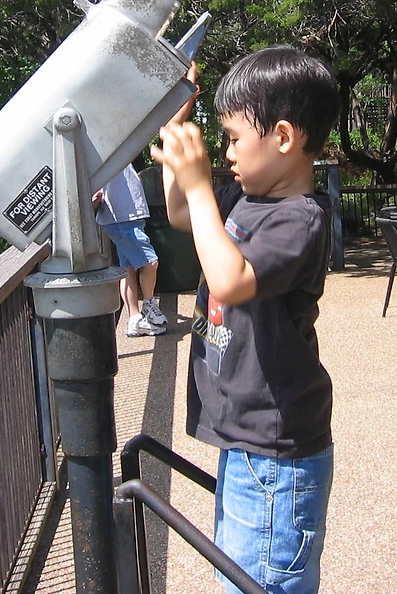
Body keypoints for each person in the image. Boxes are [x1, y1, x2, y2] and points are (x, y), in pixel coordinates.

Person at [154, 46, 340, 594]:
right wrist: (174, 127)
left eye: (234, 138)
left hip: (276, 454)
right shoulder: (246, 197)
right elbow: (184, 214)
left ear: (283, 137)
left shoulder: (299, 219)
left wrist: (197, 180)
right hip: (247, 442)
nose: (228, 151)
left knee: (257, 582)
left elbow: (232, 279)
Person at [96, 163, 167, 337]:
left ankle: (134, 319)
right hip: (121, 216)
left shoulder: (117, 145)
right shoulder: (103, 146)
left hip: (126, 215)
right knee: (150, 262)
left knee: (128, 269)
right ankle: (149, 305)